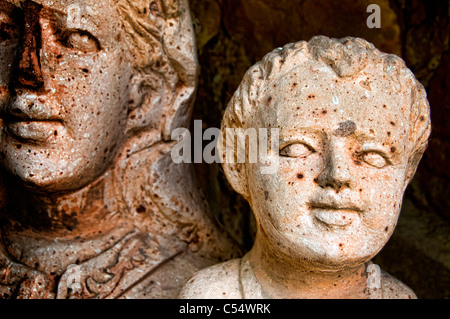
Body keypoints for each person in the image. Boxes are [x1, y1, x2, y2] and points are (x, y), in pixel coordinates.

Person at [0, 0, 239, 299]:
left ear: (144, 97)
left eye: (75, 39)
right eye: (4, 33)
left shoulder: (210, 292)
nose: (28, 72)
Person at [179, 36, 431, 299]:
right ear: (237, 164)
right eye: (298, 148)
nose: (337, 175)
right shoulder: (210, 297)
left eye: (371, 155)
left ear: (407, 174)